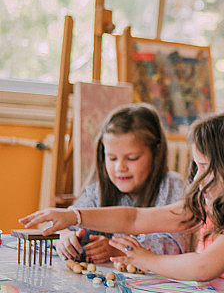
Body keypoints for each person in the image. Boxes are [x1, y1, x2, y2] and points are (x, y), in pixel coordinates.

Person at [21, 111, 224, 293]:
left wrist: (145, 259)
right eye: (196, 165)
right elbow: (134, 219)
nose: (197, 175)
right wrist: (74, 216)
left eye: (205, 166)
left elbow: (203, 268)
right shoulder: (208, 204)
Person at [57, 103, 189, 263]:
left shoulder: (172, 186)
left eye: (132, 158)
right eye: (112, 158)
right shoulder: (99, 190)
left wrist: (118, 250)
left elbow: (175, 246)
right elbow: (65, 223)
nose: (120, 167)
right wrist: (64, 237)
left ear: (156, 153)